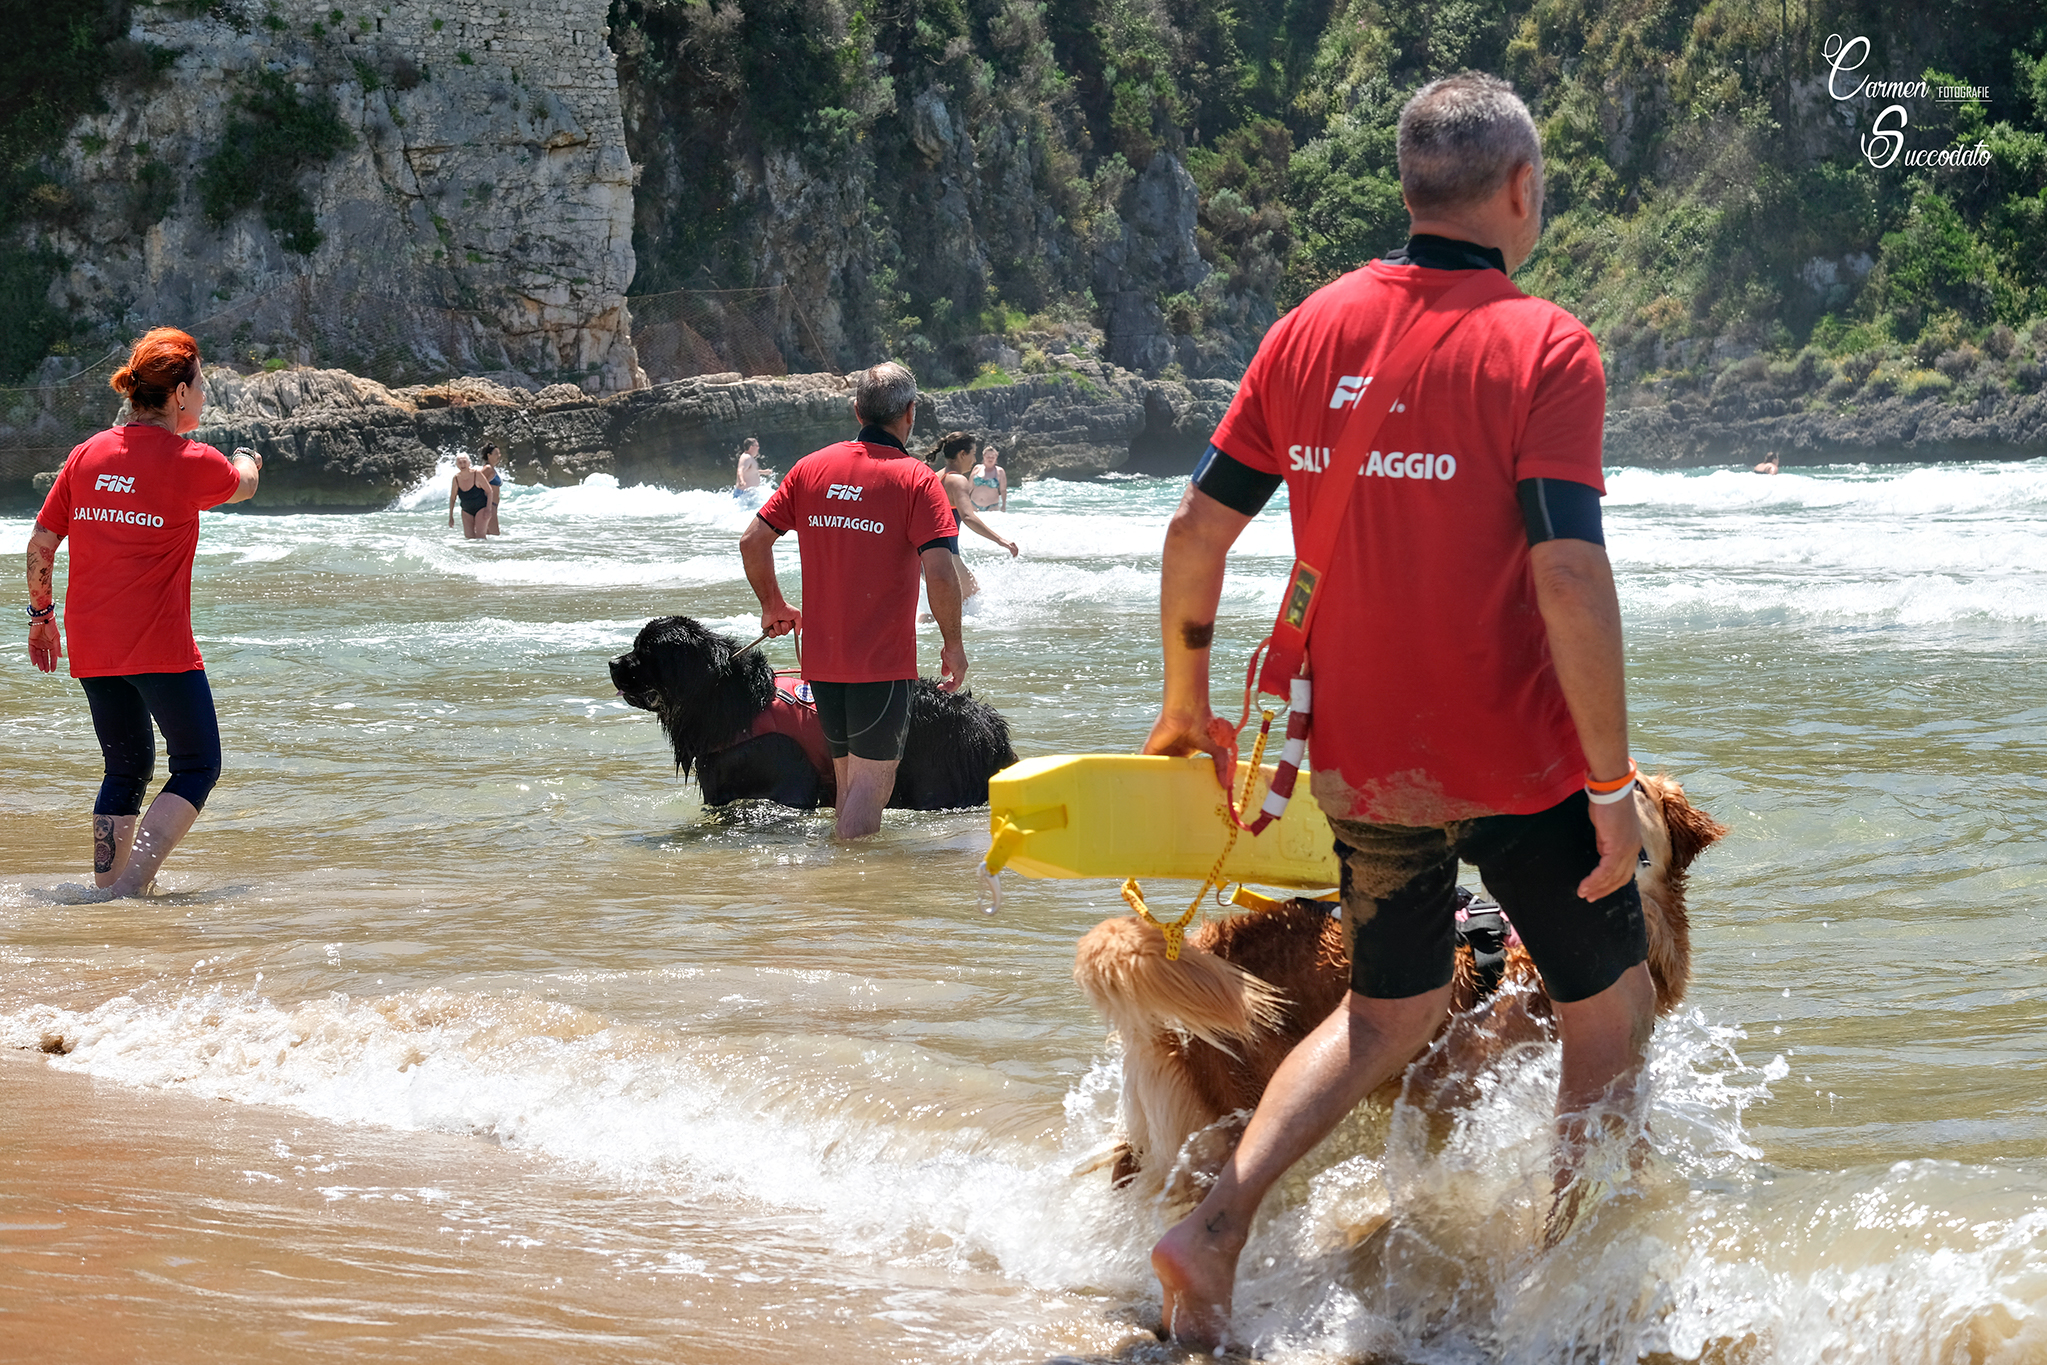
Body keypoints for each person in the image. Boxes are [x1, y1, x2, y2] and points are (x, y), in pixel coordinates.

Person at [1141, 73, 1654, 1349]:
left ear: (1410, 188)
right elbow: (1567, 570)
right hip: (1517, 760)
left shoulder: (1307, 329)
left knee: (1387, 1013)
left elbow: (1197, 530)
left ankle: (1213, 1228)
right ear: (1521, 191)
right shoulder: (1544, 346)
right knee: (1610, 1011)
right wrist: (1608, 783)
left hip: (1361, 761)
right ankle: (1574, 1302)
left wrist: (1186, 705)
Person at [24, 326, 262, 898]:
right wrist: (249, 455)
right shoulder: (193, 459)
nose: (204, 396)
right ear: (178, 393)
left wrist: (40, 616)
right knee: (197, 764)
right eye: (201, 385)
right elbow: (244, 486)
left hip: (91, 642)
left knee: (125, 770)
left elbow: (40, 543)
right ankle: (130, 886)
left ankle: (105, 891)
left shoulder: (87, 455)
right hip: (158, 645)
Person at [738, 362, 968, 839]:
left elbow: (752, 541)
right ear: (910, 413)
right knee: (870, 787)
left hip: (820, 659)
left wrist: (773, 606)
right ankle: (849, 895)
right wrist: (953, 644)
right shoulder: (917, 480)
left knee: (846, 781)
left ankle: (836, 906)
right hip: (880, 663)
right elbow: (941, 573)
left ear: (856, 409)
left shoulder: (811, 469)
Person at [931, 431, 1019, 600]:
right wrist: (1001, 540)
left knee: (949, 608)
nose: (974, 459)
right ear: (962, 454)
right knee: (973, 601)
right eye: (972, 454)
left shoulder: (936, 476)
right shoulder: (957, 480)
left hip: (928, 555)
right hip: (947, 556)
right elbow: (968, 517)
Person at [447, 453, 490, 537]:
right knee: (469, 538)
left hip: (481, 508)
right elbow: (453, 498)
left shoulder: (477, 474)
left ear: (469, 463)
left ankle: (487, 549)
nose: (462, 464)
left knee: (480, 537)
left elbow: (489, 491)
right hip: (466, 510)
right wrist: (451, 516)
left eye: (464, 462)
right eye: (459, 462)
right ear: (456, 464)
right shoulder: (456, 478)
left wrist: (488, 509)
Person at [479, 444, 509, 534]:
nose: (499, 456)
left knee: (487, 536)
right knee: (495, 534)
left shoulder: (492, 469)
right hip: (489, 506)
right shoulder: (487, 469)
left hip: (492, 506)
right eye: (496, 454)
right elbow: (478, 486)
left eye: (499, 454)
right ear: (489, 455)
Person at [970, 444, 1008, 511]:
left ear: (996, 458)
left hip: (992, 507)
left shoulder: (1000, 471)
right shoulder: (977, 468)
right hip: (974, 505)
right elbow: (969, 487)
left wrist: (1004, 505)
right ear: (984, 456)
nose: (990, 459)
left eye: (992, 457)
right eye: (988, 457)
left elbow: (1003, 490)